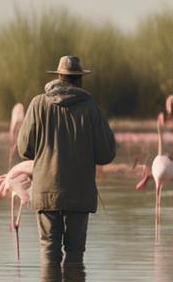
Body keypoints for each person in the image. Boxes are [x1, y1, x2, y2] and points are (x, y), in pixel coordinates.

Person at [17, 55, 117, 265]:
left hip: (46, 192)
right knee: (75, 254)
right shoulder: (90, 107)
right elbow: (106, 154)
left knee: (48, 252)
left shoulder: (37, 104)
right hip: (79, 195)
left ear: (59, 77)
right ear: (79, 79)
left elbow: (24, 149)